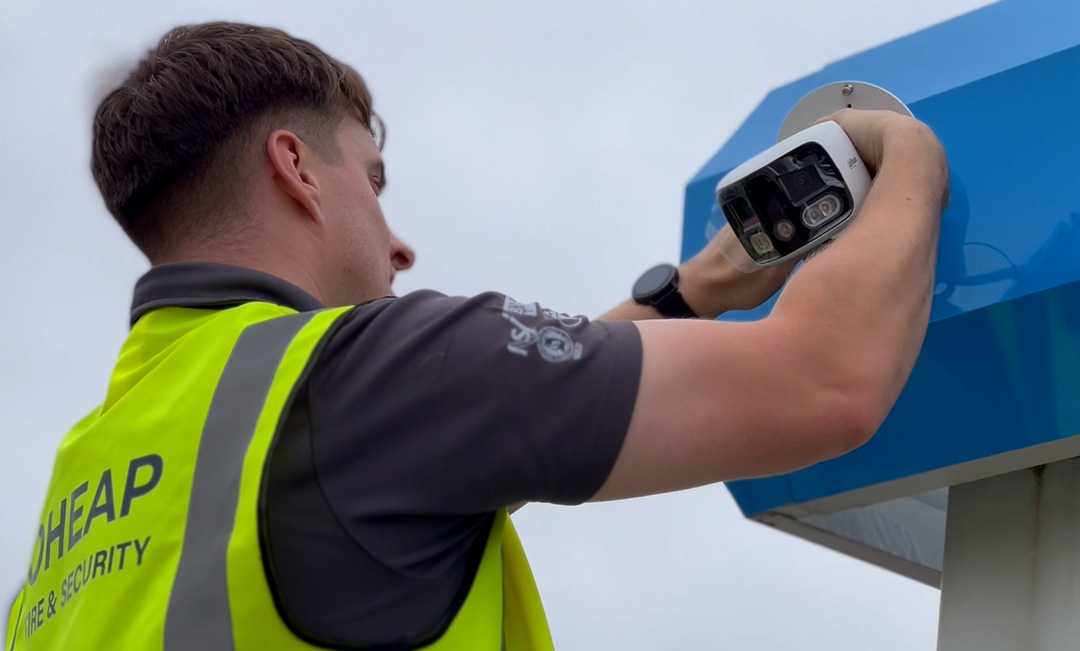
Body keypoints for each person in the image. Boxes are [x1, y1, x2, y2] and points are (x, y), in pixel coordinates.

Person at [3, 21, 948, 651]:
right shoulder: (372, 372)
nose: (401, 243)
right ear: (295, 167)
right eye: (374, 183)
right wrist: (907, 152)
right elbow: (828, 382)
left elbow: (415, 476)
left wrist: (692, 291)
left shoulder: (87, 488)